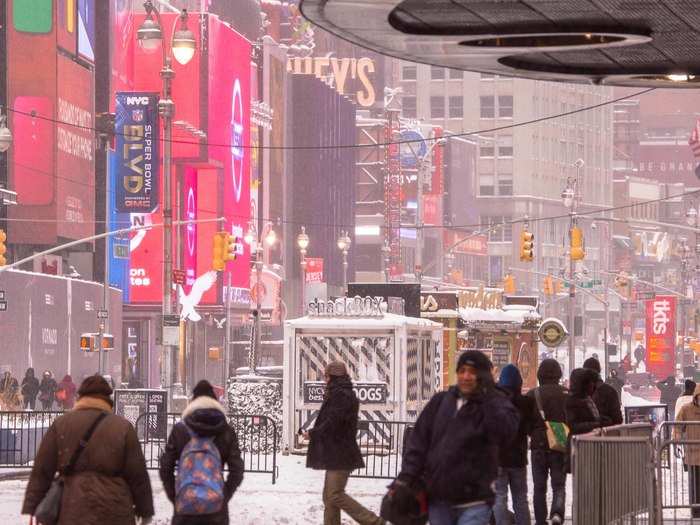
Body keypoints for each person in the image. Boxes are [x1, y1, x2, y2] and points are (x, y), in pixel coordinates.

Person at [397, 350, 519, 525]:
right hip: (439, 498)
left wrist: (488, 395)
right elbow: (418, 442)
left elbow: (505, 431)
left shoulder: (495, 404)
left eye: (472, 372)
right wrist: (407, 477)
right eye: (462, 371)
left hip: (475, 500)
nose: (466, 376)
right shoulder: (440, 402)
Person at [22, 374, 154, 524]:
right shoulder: (122, 427)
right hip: (115, 509)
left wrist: (31, 507)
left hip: (72, 507)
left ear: (80, 397)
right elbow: (138, 474)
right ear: (108, 399)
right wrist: (145, 511)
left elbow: (42, 469)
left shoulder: (62, 424)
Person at [304, 361, 384, 525]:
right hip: (337, 453)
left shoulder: (341, 395)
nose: (324, 380)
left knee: (334, 494)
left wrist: (313, 433)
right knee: (329, 497)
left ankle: (373, 521)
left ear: (332, 376)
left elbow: (333, 422)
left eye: (326, 376)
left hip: (341, 453)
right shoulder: (339, 393)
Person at [160, 379, 244, 525]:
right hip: (216, 510)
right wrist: (223, 495)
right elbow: (237, 470)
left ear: (192, 402)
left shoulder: (180, 430)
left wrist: (176, 496)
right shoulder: (225, 430)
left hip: (185, 508)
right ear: (215, 402)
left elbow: (165, 467)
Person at [526, 359, 568, 525]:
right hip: (559, 438)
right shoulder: (566, 393)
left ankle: (541, 521)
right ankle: (557, 513)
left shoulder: (532, 394)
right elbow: (570, 418)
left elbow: (526, 422)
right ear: (558, 374)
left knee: (539, 487)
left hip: (538, 443)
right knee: (559, 484)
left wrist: (534, 433)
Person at [493, 364, 532, 525]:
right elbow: (530, 428)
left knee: (499, 497)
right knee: (520, 498)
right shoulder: (526, 403)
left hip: (498, 459)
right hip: (518, 459)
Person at [566, 368, 612, 471]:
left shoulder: (587, 399)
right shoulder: (572, 401)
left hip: (590, 449)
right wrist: (598, 424)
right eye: (591, 383)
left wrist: (603, 420)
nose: (594, 386)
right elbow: (573, 426)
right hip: (580, 449)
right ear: (583, 384)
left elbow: (591, 418)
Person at [676, 384, 700, 518]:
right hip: (693, 455)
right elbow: (678, 426)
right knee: (695, 486)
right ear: (695, 397)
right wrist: (677, 440)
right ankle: (696, 512)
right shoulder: (686, 409)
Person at [583, 357, 623, 426]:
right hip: (607, 434)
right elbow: (618, 419)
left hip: (585, 435)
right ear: (599, 371)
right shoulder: (610, 391)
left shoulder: (581, 393)